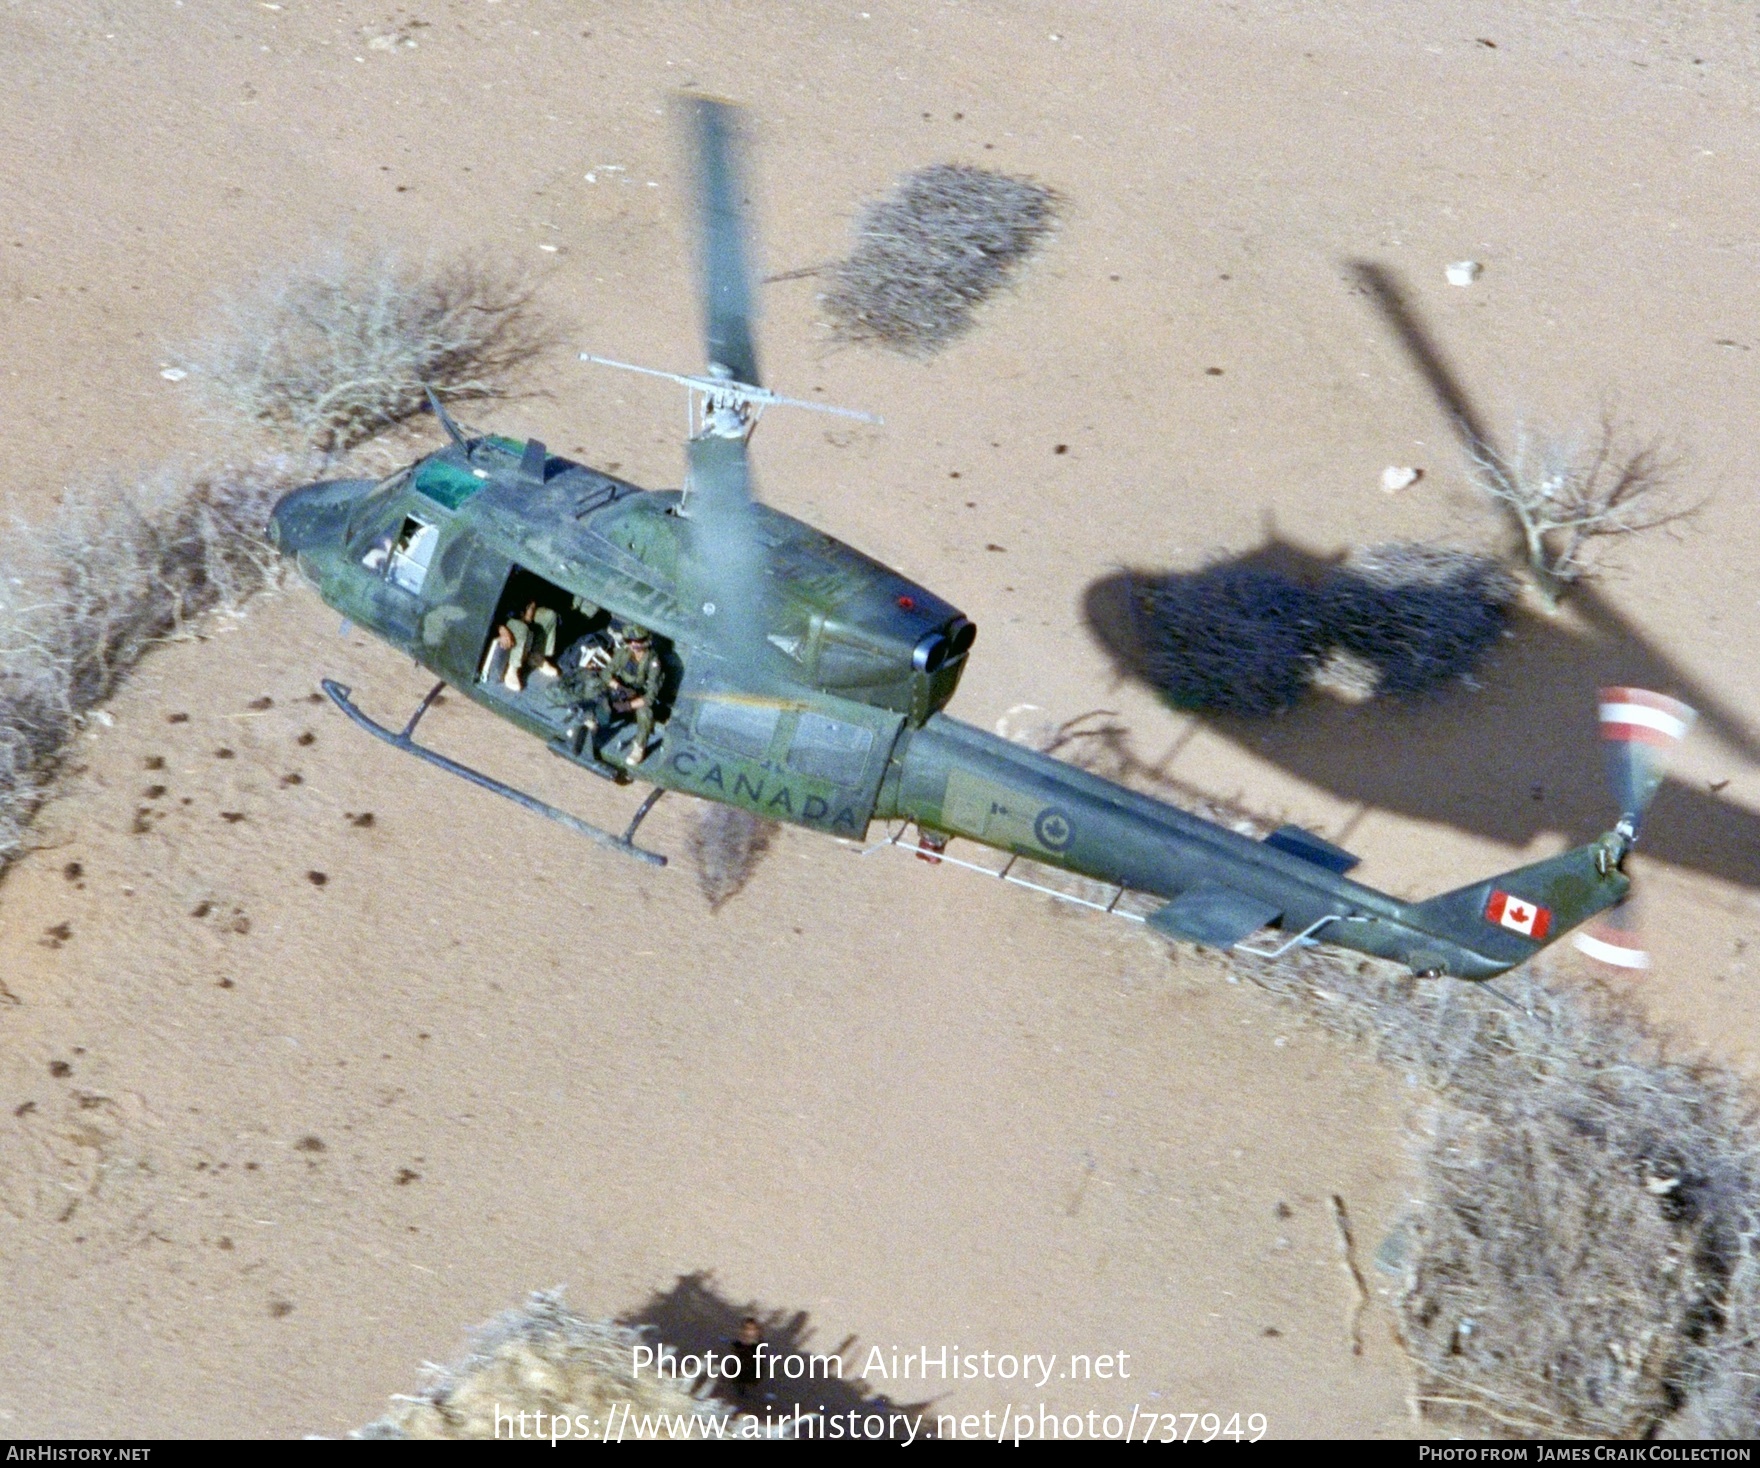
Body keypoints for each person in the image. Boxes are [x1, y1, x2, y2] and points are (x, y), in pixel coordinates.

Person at [602, 623, 664, 765]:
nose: (634, 645)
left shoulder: (653, 662)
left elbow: (650, 698)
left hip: (639, 698)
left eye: (638, 641)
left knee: (645, 713)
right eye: (629, 641)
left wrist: (627, 705)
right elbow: (606, 673)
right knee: (598, 690)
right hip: (624, 691)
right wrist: (618, 687)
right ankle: (591, 723)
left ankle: (639, 748)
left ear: (646, 641)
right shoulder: (624, 653)